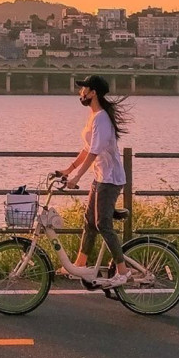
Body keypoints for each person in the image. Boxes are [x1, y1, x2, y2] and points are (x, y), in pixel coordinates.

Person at [55, 74, 130, 287]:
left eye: (84, 89)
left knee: (102, 223)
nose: (81, 93)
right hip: (100, 177)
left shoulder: (101, 118)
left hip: (111, 179)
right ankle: (80, 264)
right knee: (89, 221)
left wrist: (77, 177)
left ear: (93, 92)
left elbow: (94, 152)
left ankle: (123, 271)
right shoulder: (94, 116)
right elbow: (87, 148)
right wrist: (68, 170)